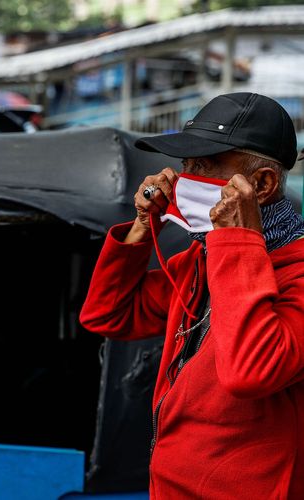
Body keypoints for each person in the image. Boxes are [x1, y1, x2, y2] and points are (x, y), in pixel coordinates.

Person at [79, 92, 304, 498]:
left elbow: (250, 372)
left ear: (263, 184)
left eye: (206, 166)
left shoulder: (294, 273)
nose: (184, 179)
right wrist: (144, 225)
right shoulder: (200, 261)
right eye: (186, 164)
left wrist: (237, 240)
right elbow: (108, 314)